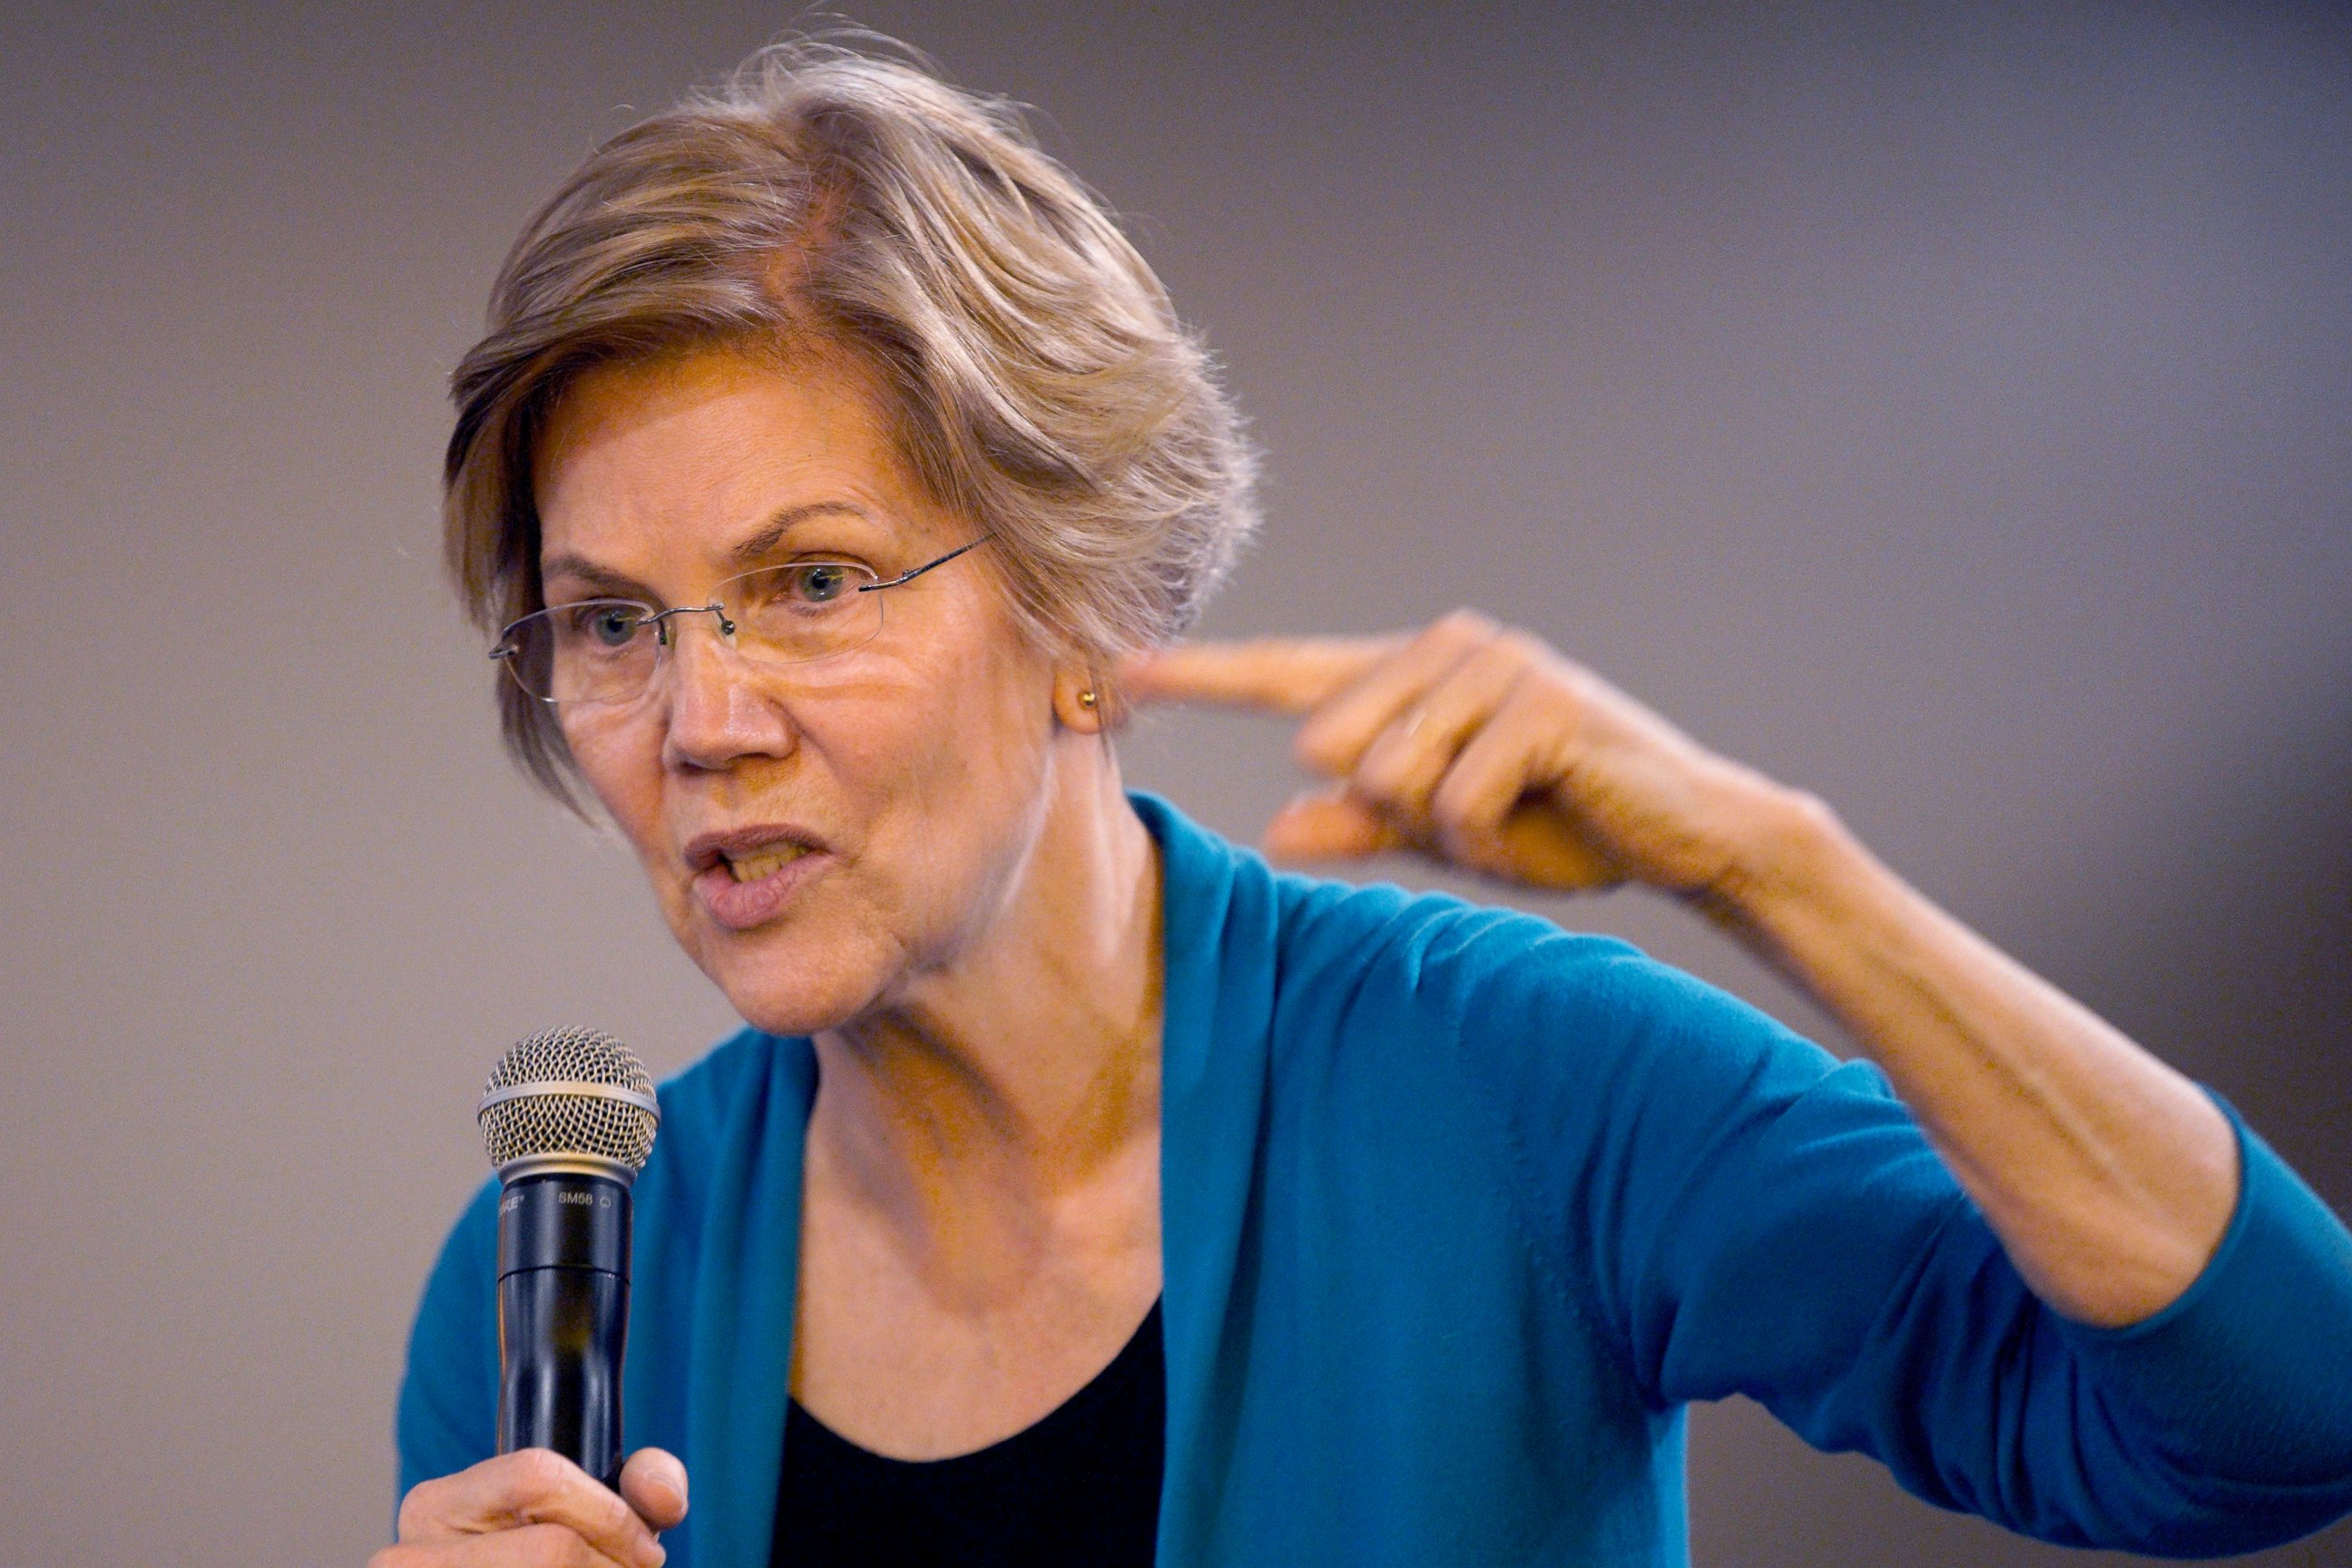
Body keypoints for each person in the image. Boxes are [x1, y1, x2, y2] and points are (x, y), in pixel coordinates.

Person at [381, 40, 2352, 1568]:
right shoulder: (554, 1276)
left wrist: (1774, 866)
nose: (700, 720)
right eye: (612, 623)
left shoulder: (1504, 1083)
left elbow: (2277, 1414)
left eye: (812, 583)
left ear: (1086, 603)